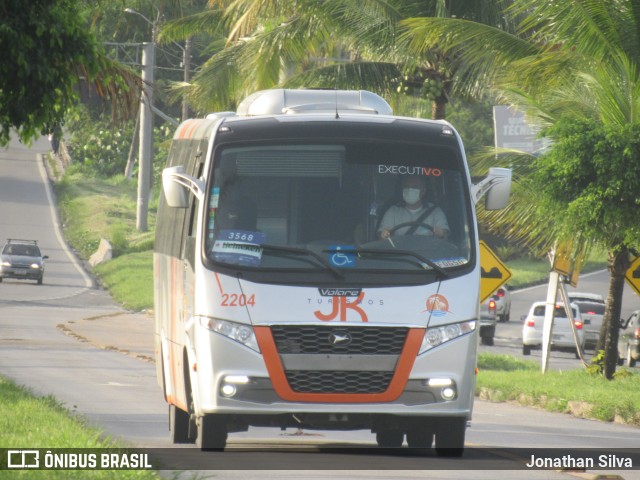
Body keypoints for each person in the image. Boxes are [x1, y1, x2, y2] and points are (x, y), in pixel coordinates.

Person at [378, 176, 449, 240]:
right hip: (400, 253)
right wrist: (384, 234)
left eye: (415, 187)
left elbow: (445, 235)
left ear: (423, 191)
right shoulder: (393, 211)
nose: (409, 190)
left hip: (428, 253)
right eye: (406, 186)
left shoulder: (435, 212)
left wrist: (441, 233)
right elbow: (382, 236)